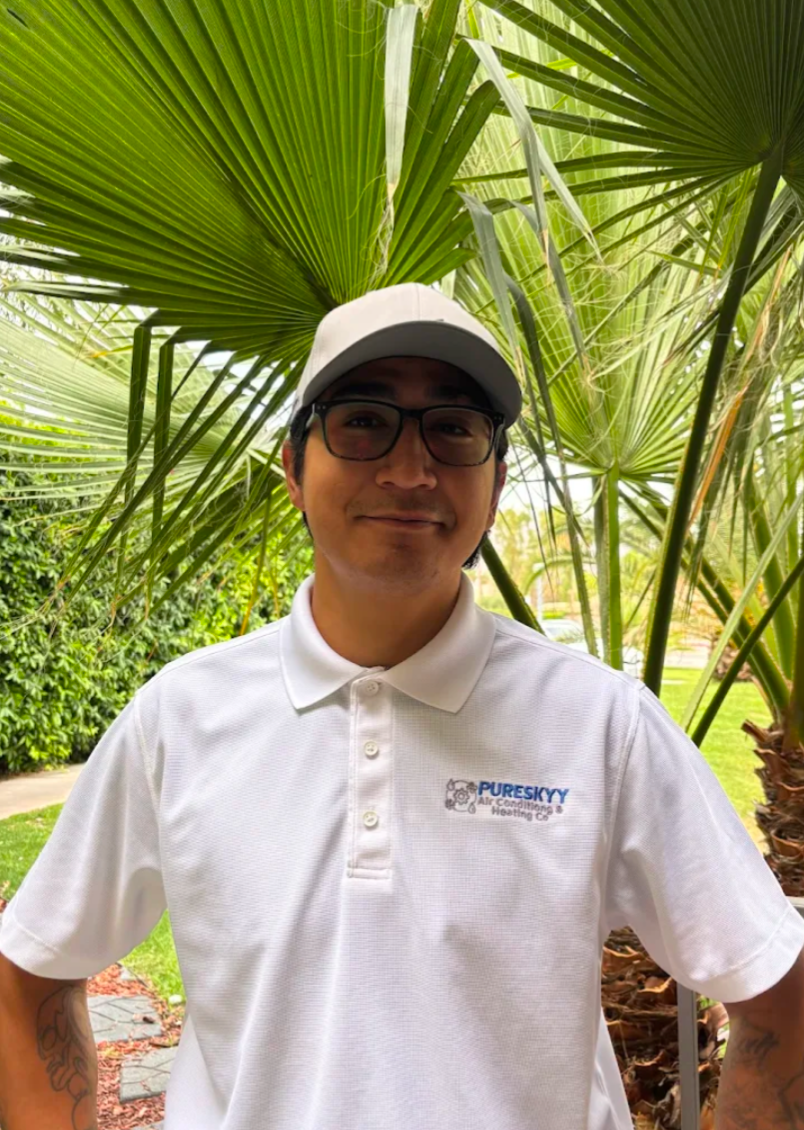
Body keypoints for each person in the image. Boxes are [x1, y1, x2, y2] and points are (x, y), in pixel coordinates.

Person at [1, 282, 803, 1130]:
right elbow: (32, 971)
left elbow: (780, 991)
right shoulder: (180, 719)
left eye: (454, 428)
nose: (410, 469)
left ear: (493, 490)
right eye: (362, 419)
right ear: (293, 468)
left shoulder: (603, 727)